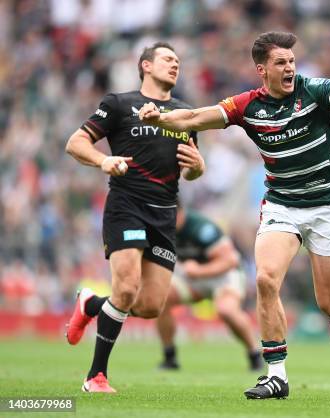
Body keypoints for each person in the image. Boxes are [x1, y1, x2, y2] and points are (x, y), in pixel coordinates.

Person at [139, 31, 330, 399]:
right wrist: (161, 119)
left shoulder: (314, 91)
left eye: (292, 61)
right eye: (281, 62)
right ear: (263, 70)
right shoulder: (246, 106)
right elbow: (196, 115)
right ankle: (276, 375)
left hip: (325, 206)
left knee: (329, 300)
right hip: (281, 204)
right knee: (265, 279)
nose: (290, 67)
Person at [64, 42, 205, 393]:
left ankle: (90, 303)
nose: (175, 65)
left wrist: (198, 169)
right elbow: (75, 143)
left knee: (149, 306)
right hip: (127, 204)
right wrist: (103, 161)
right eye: (168, 59)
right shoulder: (119, 104)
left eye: (178, 61)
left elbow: (190, 169)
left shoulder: (185, 113)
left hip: (165, 213)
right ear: (146, 65)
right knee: (125, 288)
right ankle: (95, 376)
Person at [157, 204, 262, 371]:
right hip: (194, 279)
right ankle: (169, 356)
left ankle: (254, 353)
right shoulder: (162, 228)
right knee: (160, 299)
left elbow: (230, 261)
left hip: (224, 276)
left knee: (226, 310)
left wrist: (199, 271)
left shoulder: (201, 228)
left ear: (180, 212)